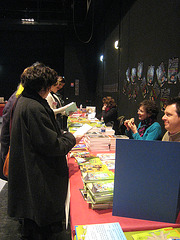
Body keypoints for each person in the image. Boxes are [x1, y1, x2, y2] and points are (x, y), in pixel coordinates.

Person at [8, 64, 83, 240]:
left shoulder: (25, 101)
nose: (50, 90)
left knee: (34, 224)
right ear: (43, 87)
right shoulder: (34, 107)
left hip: (30, 172)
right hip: (39, 176)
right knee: (40, 229)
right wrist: (72, 138)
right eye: (49, 86)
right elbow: (53, 146)